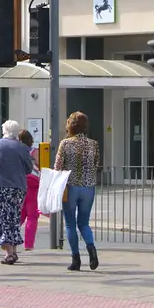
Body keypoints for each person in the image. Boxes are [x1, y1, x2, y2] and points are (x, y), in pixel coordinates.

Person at [56, 111, 101, 271]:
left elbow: (58, 167)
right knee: (84, 222)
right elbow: (96, 164)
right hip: (89, 187)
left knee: (70, 224)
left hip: (71, 187)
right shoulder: (93, 144)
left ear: (71, 125)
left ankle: (76, 259)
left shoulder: (65, 144)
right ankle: (91, 249)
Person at [0, 120, 34, 265]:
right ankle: (14, 251)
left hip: (1, 185)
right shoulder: (22, 147)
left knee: (3, 218)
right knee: (14, 217)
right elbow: (29, 168)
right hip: (19, 188)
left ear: (4, 130)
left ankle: (9, 254)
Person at [18, 129, 41, 251]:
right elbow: (37, 165)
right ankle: (29, 245)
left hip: (20, 183)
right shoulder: (34, 151)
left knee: (20, 215)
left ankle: (9, 240)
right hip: (33, 185)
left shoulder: (16, 150)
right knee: (32, 216)